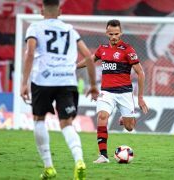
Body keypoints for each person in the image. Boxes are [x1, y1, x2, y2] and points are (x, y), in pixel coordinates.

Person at [21, 0, 98, 179]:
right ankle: (79, 161)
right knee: (66, 124)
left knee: (39, 120)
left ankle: (49, 167)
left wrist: (24, 82)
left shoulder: (34, 28)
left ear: (41, 11)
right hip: (66, 80)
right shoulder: (71, 30)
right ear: (60, 11)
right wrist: (94, 85)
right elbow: (88, 56)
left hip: (43, 80)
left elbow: (30, 53)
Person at [77, 19, 149, 163]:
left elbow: (141, 73)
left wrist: (140, 97)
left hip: (125, 93)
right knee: (102, 117)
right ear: (107, 33)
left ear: (121, 33)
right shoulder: (102, 48)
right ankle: (103, 155)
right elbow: (90, 60)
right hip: (107, 92)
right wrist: (74, 66)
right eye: (111, 34)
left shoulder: (128, 50)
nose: (114, 37)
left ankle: (125, 117)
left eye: (116, 34)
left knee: (129, 127)